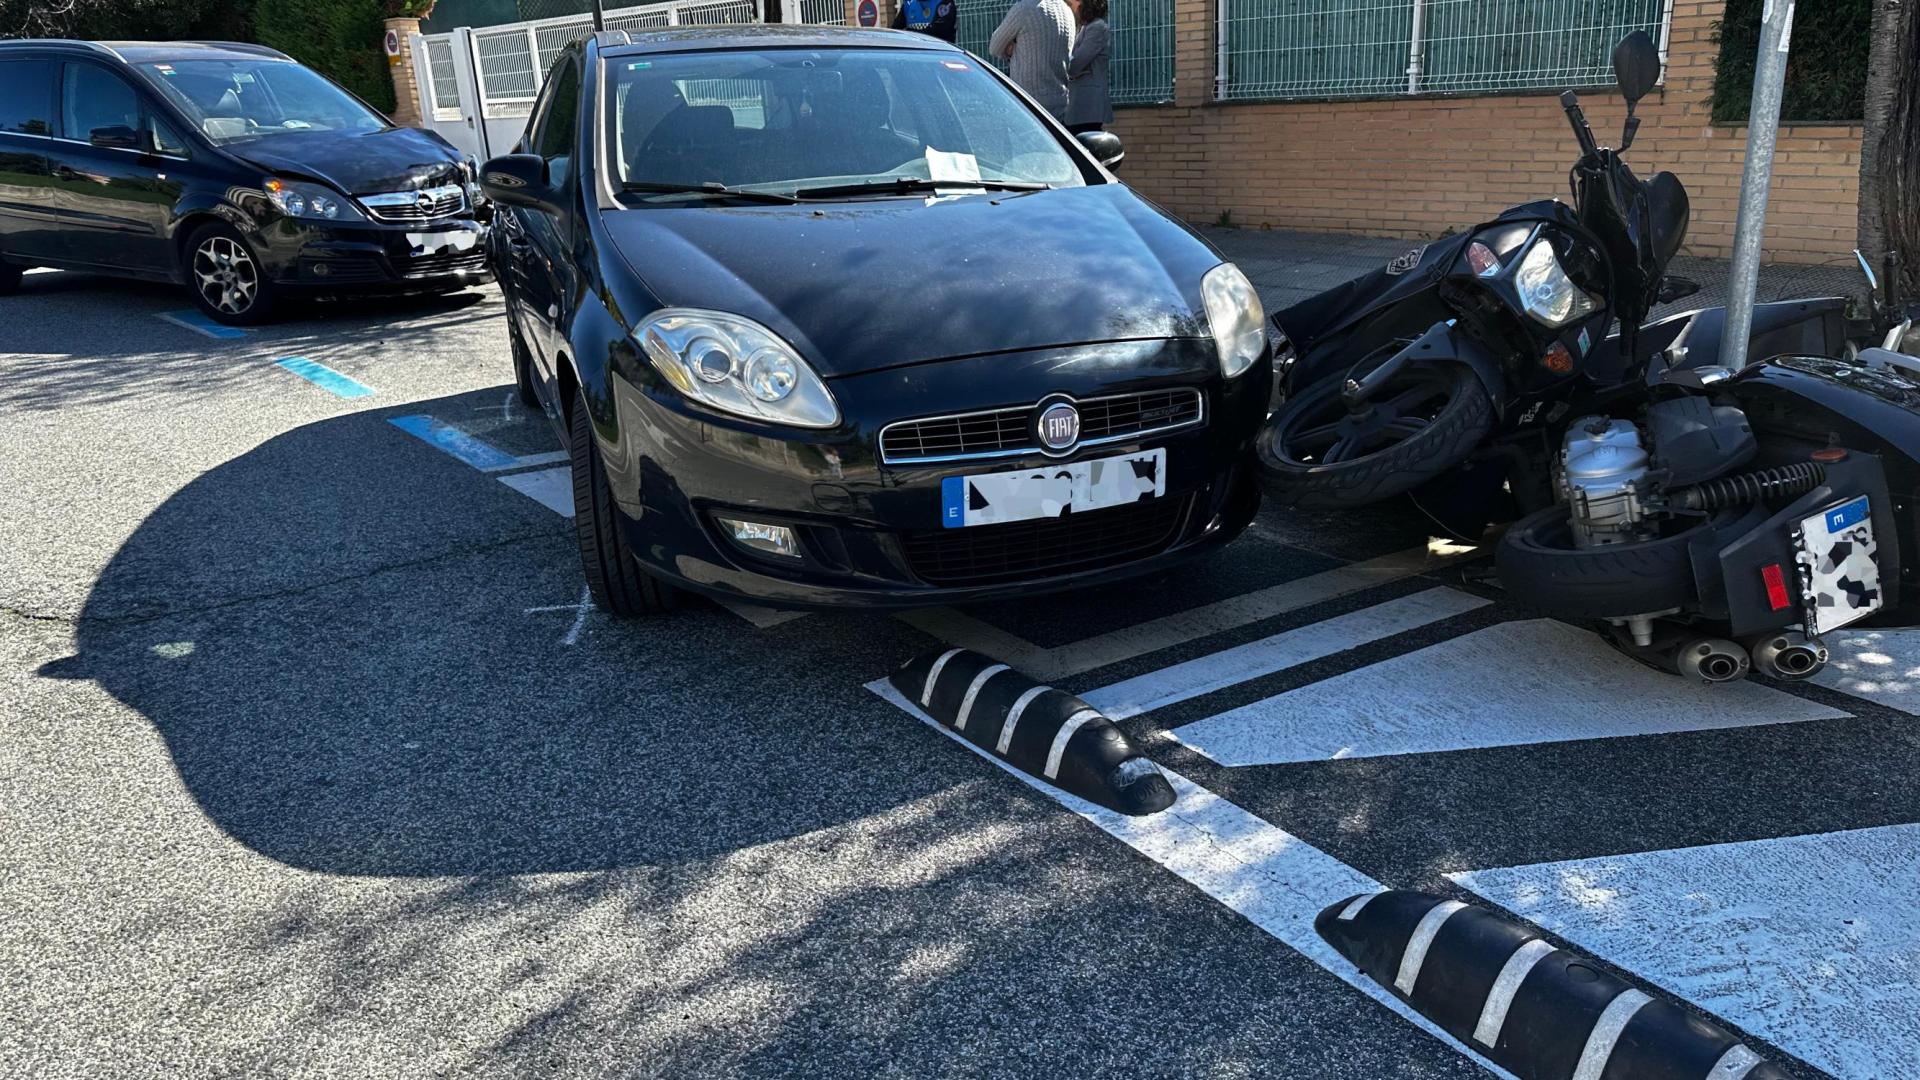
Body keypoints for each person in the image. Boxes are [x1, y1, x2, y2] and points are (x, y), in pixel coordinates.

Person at [988, 0, 1075, 122]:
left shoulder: (1024, 9)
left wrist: (1012, 48)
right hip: (1060, 104)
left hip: (1027, 105)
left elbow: (994, 47)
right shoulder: (1067, 11)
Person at [1065, 0, 1111, 134]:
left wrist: (1067, 66)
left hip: (1089, 105)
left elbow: (1076, 64)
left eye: (1072, 4)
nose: (1070, 8)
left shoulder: (1097, 27)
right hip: (1080, 105)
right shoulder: (1085, 27)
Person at [892, 0, 957, 42]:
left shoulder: (945, 3)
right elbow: (895, 29)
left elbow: (939, 31)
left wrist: (909, 33)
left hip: (940, 54)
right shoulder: (908, 4)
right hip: (915, 55)